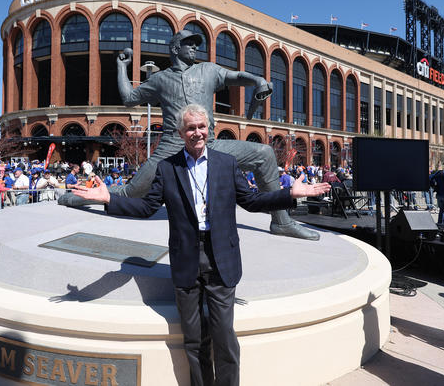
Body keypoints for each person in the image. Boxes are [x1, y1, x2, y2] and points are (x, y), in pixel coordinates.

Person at [70, 105, 331, 386]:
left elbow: (251, 201)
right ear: (181, 132)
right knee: (194, 342)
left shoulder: (226, 163)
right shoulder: (168, 168)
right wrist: (110, 199)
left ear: (209, 129)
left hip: (221, 259)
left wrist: (288, 194)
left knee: (224, 340)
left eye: (202, 127)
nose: (197, 132)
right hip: (186, 262)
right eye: (191, 128)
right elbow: (146, 207)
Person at [60, 30, 318, 240]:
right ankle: (78, 197)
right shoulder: (161, 79)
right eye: (188, 44)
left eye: (196, 44)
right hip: (172, 146)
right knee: (130, 193)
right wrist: (121, 68)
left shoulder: (208, 70)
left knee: (264, 154)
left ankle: (281, 222)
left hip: (210, 144)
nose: (194, 48)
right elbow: (129, 98)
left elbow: (234, 76)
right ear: (175, 49)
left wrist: (257, 79)